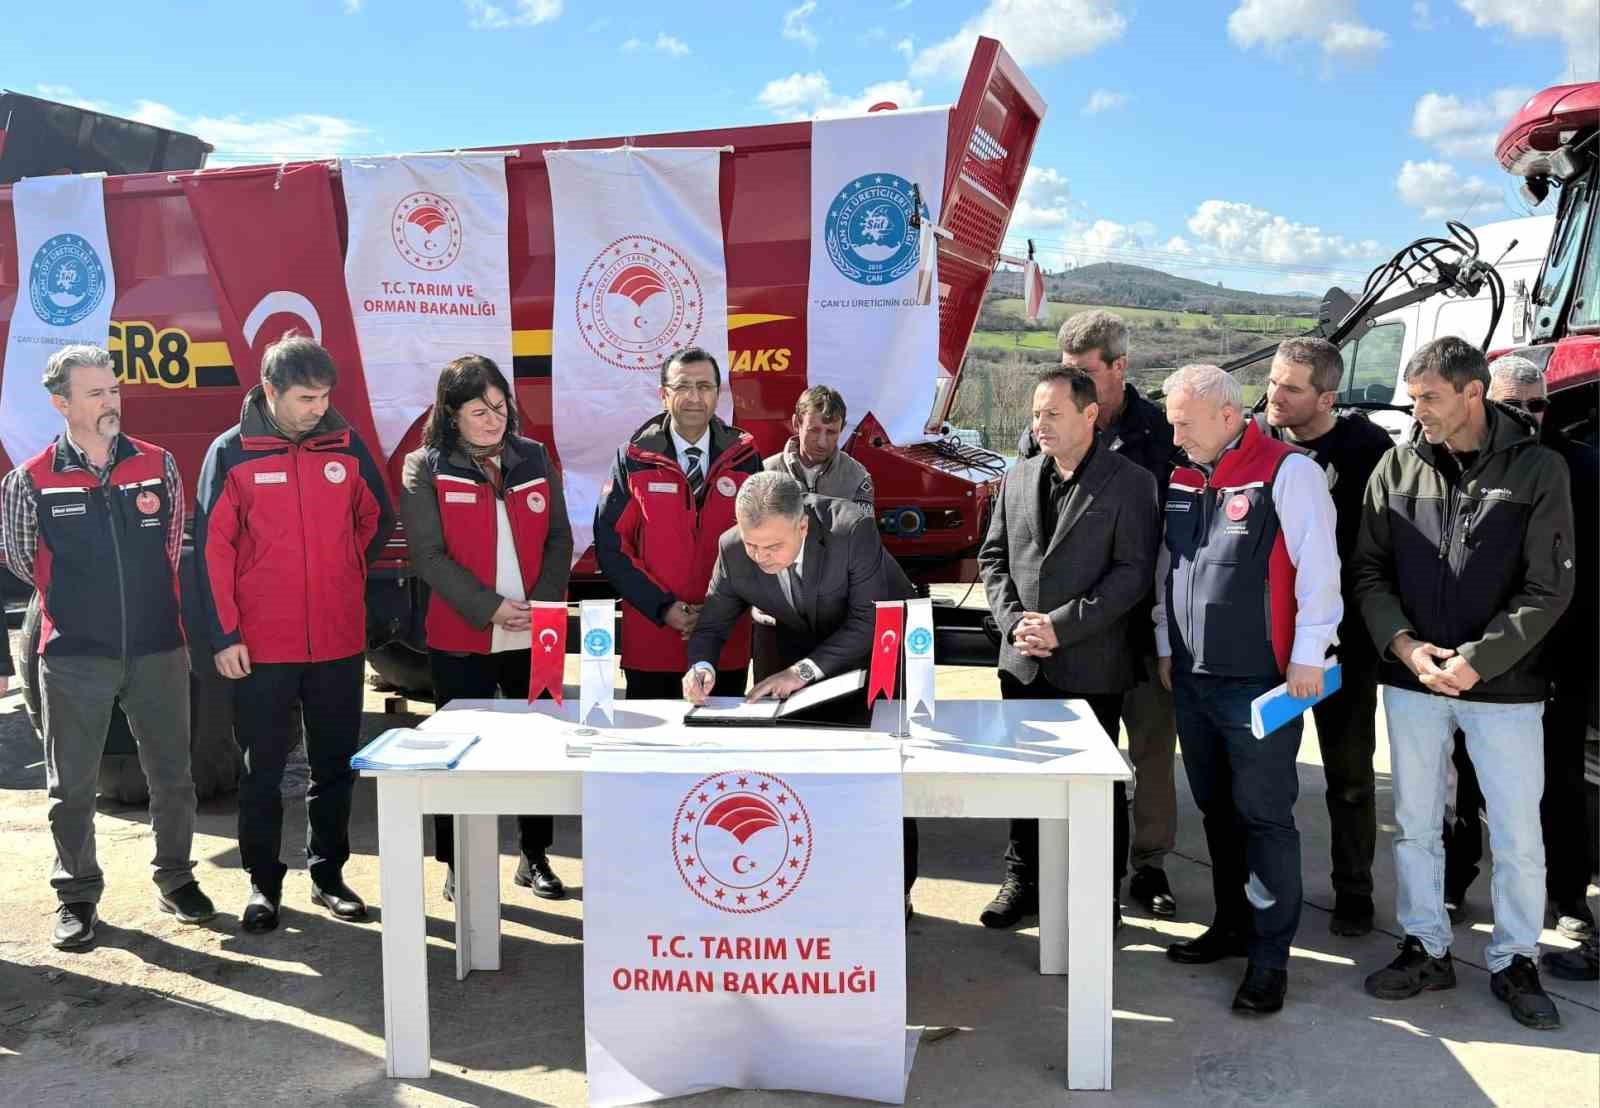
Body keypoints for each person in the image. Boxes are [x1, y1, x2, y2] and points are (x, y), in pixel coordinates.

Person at [1353, 337, 1574, 1030]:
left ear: (1472, 394)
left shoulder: (1540, 470)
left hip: (1505, 687)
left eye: (1429, 398)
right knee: (1416, 825)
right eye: (1415, 399)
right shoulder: (1395, 466)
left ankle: (1514, 960)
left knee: (1515, 833)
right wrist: (1407, 647)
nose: (1417, 412)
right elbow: (1367, 571)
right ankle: (1425, 944)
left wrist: (1479, 659)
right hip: (1414, 679)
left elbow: (1549, 588)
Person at [2, 344, 213, 949]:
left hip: (157, 648)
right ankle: (77, 895)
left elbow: (170, 548)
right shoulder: (29, 480)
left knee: (172, 775)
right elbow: (23, 561)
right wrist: (81, 604)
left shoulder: (158, 465)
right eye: (95, 393)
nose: (110, 402)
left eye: (114, 390)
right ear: (61, 403)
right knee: (70, 785)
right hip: (73, 655)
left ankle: (176, 880)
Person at [1155, 363, 1341, 1016]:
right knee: (1216, 811)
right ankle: (1232, 924)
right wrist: (1164, 646)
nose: (1175, 437)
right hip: (1194, 682)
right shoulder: (1182, 476)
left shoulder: (1290, 473)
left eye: (1184, 423)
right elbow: (1169, 568)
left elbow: (1321, 570)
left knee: (1264, 818)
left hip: (1262, 684)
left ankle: (1270, 957)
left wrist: (1310, 655)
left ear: (1228, 416)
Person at [193, 334, 395, 933]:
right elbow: (211, 551)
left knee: (334, 765)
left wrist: (341, 573)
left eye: (325, 396)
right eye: (307, 398)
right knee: (263, 770)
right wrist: (226, 634)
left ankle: (328, 876)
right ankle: (262, 883)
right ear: (272, 391)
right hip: (262, 648)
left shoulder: (347, 445)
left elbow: (375, 518)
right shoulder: (230, 453)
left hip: (336, 642)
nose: (318, 408)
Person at [682, 471, 919, 912]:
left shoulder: (851, 529)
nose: (761, 557)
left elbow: (868, 622)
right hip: (798, 640)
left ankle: (894, 893)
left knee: (880, 775)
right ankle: (811, 887)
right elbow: (713, 621)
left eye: (773, 547)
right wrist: (701, 665)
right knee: (797, 772)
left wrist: (803, 671)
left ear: (803, 526)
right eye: (753, 546)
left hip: (878, 648)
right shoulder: (734, 548)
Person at [976, 368, 1159, 930]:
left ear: (1089, 416)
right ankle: (1022, 879)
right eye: (1036, 413)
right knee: (1025, 780)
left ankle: (1099, 894)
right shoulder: (1019, 475)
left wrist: (1061, 625)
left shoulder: (1129, 482)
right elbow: (993, 558)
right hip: (1023, 663)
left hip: (1092, 663)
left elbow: (1133, 573)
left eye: (1052, 413)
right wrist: (1014, 626)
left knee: (1095, 787)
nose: (1040, 424)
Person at [1021, 309, 1183, 917]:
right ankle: (1050, 874)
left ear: (1119, 368)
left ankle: (1148, 865)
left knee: (1146, 749)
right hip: (1068, 635)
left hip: (1144, 620)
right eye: (1065, 372)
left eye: (1084, 373)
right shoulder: (1043, 431)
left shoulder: (1161, 432)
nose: (1071, 383)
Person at [401, 355, 573, 903]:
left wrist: (539, 605)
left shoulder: (535, 458)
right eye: (479, 410)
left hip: (536, 633)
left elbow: (560, 539)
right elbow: (428, 556)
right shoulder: (423, 467)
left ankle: (535, 856)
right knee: (462, 754)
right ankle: (458, 862)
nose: (494, 419)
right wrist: (492, 607)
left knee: (539, 747)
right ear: (452, 415)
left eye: (499, 407)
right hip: (463, 634)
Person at [1440, 354, 1596, 945]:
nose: (1528, 415)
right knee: (1463, 781)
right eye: (1514, 404)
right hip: (1475, 656)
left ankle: (1568, 898)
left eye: (1537, 404)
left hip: (1557, 660)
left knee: (1559, 782)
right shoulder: (1459, 464)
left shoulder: (1581, 468)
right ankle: (1455, 882)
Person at [1261, 337, 1394, 937]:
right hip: (1269, 644)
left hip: (1348, 648)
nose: (1275, 397)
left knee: (1348, 778)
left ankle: (1354, 891)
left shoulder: (1369, 450)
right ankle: (1266, 889)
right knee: (1268, 777)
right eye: (1272, 382)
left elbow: (1387, 546)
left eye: (1291, 388)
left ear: (1327, 396)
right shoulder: (1258, 446)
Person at [595, 347, 762, 699]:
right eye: (683, 386)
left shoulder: (745, 458)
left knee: (720, 750)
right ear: (663, 394)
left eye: (704, 387)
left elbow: (762, 546)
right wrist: (664, 608)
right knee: (652, 750)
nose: (694, 397)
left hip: (723, 646)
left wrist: (717, 613)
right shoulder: (632, 459)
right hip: (652, 644)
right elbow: (612, 547)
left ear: (718, 394)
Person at [764, 385, 875, 506]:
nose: (822, 442)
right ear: (796, 424)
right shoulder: (765, 474)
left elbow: (864, 525)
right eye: (814, 430)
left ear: (842, 429)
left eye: (831, 432)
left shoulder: (857, 478)